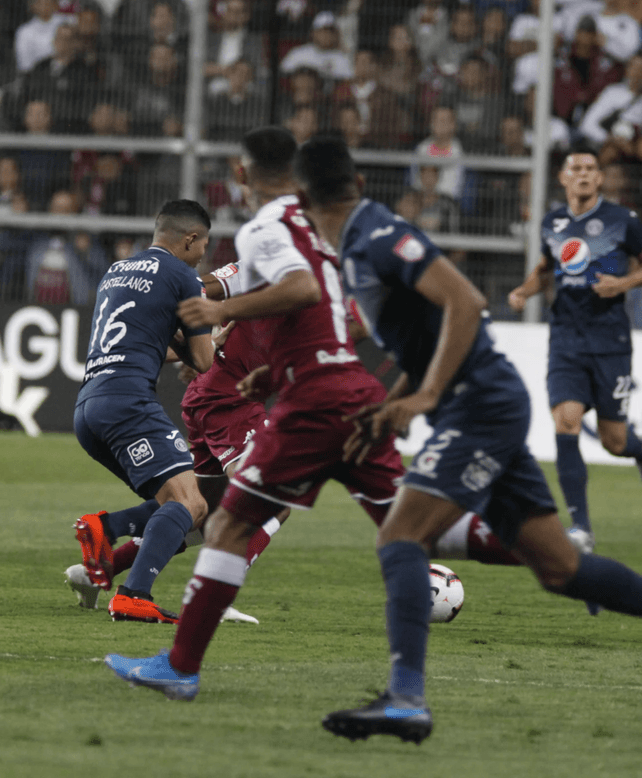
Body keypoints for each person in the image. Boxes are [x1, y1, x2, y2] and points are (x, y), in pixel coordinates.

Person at [291, 137, 642, 743]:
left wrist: (424, 397)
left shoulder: (376, 235)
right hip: (478, 404)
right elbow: (425, 336)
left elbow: (466, 303)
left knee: (401, 535)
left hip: (480, 405)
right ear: (359, 181)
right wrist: (397, 397)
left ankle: (406, 698)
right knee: (560, 568)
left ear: (299, 197)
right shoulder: (355, 248)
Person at [101, 126, 405, 696]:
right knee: (240, 509)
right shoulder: (301, 238)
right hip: (264, 395)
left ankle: (112, 557)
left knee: (218, 507)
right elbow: (281, 296)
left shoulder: (283, 236)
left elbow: (295, 299)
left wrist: (216, 320)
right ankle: (408, 683)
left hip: (289, 395)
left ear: (241, 175)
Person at [507, 150, 642, 555]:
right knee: (567, 421)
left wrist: (624, 284)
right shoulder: (552, 222)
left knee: (614, 441)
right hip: (565, 339)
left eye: (590, 169)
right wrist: (525, 291)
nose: (583, 175)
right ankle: (581, 528)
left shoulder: (622, 219)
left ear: (599, 179)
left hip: (610, 340)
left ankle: (640, 450)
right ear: (563, 177)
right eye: (575, 169)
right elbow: (545, 268)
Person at [71, 200, 215, 624]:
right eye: (203, 245)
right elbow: (203, 361)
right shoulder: (183, 277)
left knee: (178, 501)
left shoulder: (116, 271)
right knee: (191, 505)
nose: (203, 254)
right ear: (189, 240)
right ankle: (133, 594)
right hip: (129, 403)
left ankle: (108, 527)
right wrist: (216, 336)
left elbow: (151, 340)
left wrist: (187, 345)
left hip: (89, 407)